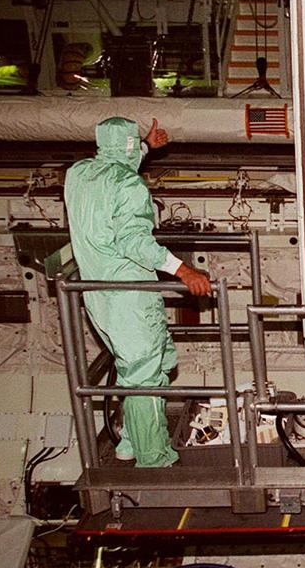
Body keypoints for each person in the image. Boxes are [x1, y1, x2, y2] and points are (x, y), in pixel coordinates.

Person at [64, 117, 212, 468]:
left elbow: (112, 166)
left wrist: (145, 146)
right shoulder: (129, 185)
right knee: (145, 378)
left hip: (98, 296)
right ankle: (154, 459)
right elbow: (134, 242)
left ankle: (129, 442)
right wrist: (184, 270)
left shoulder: (78, 174)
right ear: (129, 146)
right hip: (129, 295)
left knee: (154, 363)